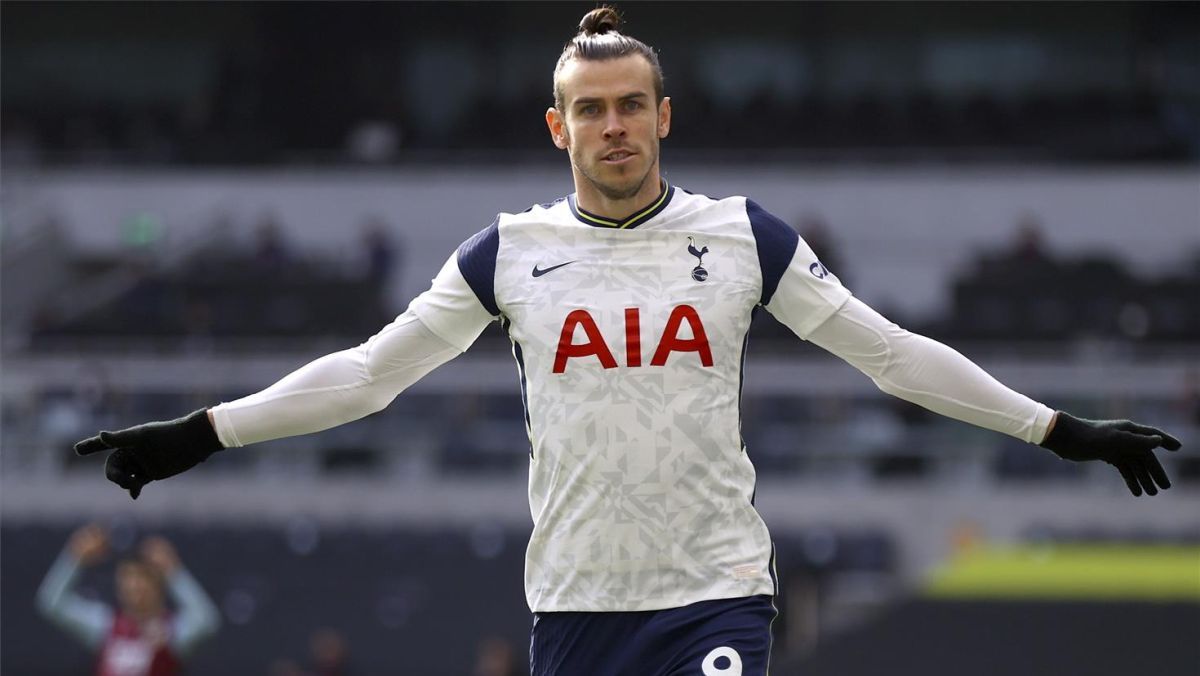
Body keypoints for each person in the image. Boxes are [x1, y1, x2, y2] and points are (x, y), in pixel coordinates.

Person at [73, 8, 1182, 675]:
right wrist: (203, 432)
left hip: (714, 588)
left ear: (664, 115)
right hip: (574, 605)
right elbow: (368, 376)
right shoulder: (505, 254)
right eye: (591, 108)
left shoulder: (744, 235)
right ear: (558, 126)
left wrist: (1057, 428)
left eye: (632, 105)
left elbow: (887, 352)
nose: (614, 126)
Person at [36, 524, 220, 676]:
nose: (134, 588)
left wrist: (174, 571)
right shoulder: (106, 625)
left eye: (141, 580)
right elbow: (51, 603)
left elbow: (207, 620)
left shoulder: (172, 630)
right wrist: (74, 557)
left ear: (157, 584)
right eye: (127, 580)